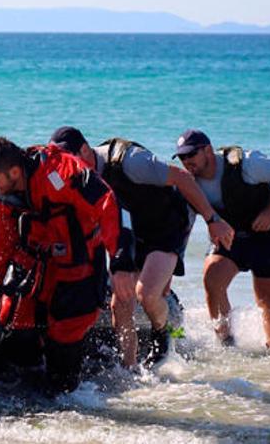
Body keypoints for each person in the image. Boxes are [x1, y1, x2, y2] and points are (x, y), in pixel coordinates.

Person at [49, 127, 235, 368]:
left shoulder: (130, 161)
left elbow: (182, 178)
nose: (68, 168)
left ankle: (162, 334)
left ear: (85, 150)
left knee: (146, 294)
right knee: (120, 303)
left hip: (166, 228)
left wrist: (212, 220)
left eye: (70, 160)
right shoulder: (78, 175)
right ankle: (130, 368)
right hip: (131, 235)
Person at [0, 136, 135, 392]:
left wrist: (121, 261)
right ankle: (30, 385)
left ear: (15, 172)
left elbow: (110, 205)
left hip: (79, 265)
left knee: (65, 335)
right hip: (39, 266)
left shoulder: (62, 171)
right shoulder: (0, 194)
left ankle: (68, 397)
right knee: (12, 322)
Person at [173, 129, 270, 348]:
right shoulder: (189, 184)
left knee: (266, 299)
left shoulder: (246, 163)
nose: (186, 161)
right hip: (231, 237)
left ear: (208, 151)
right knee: (212, 280)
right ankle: (226, 343)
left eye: (191, 155)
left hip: (269, 236)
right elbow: (184, 225)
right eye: (182, 157)